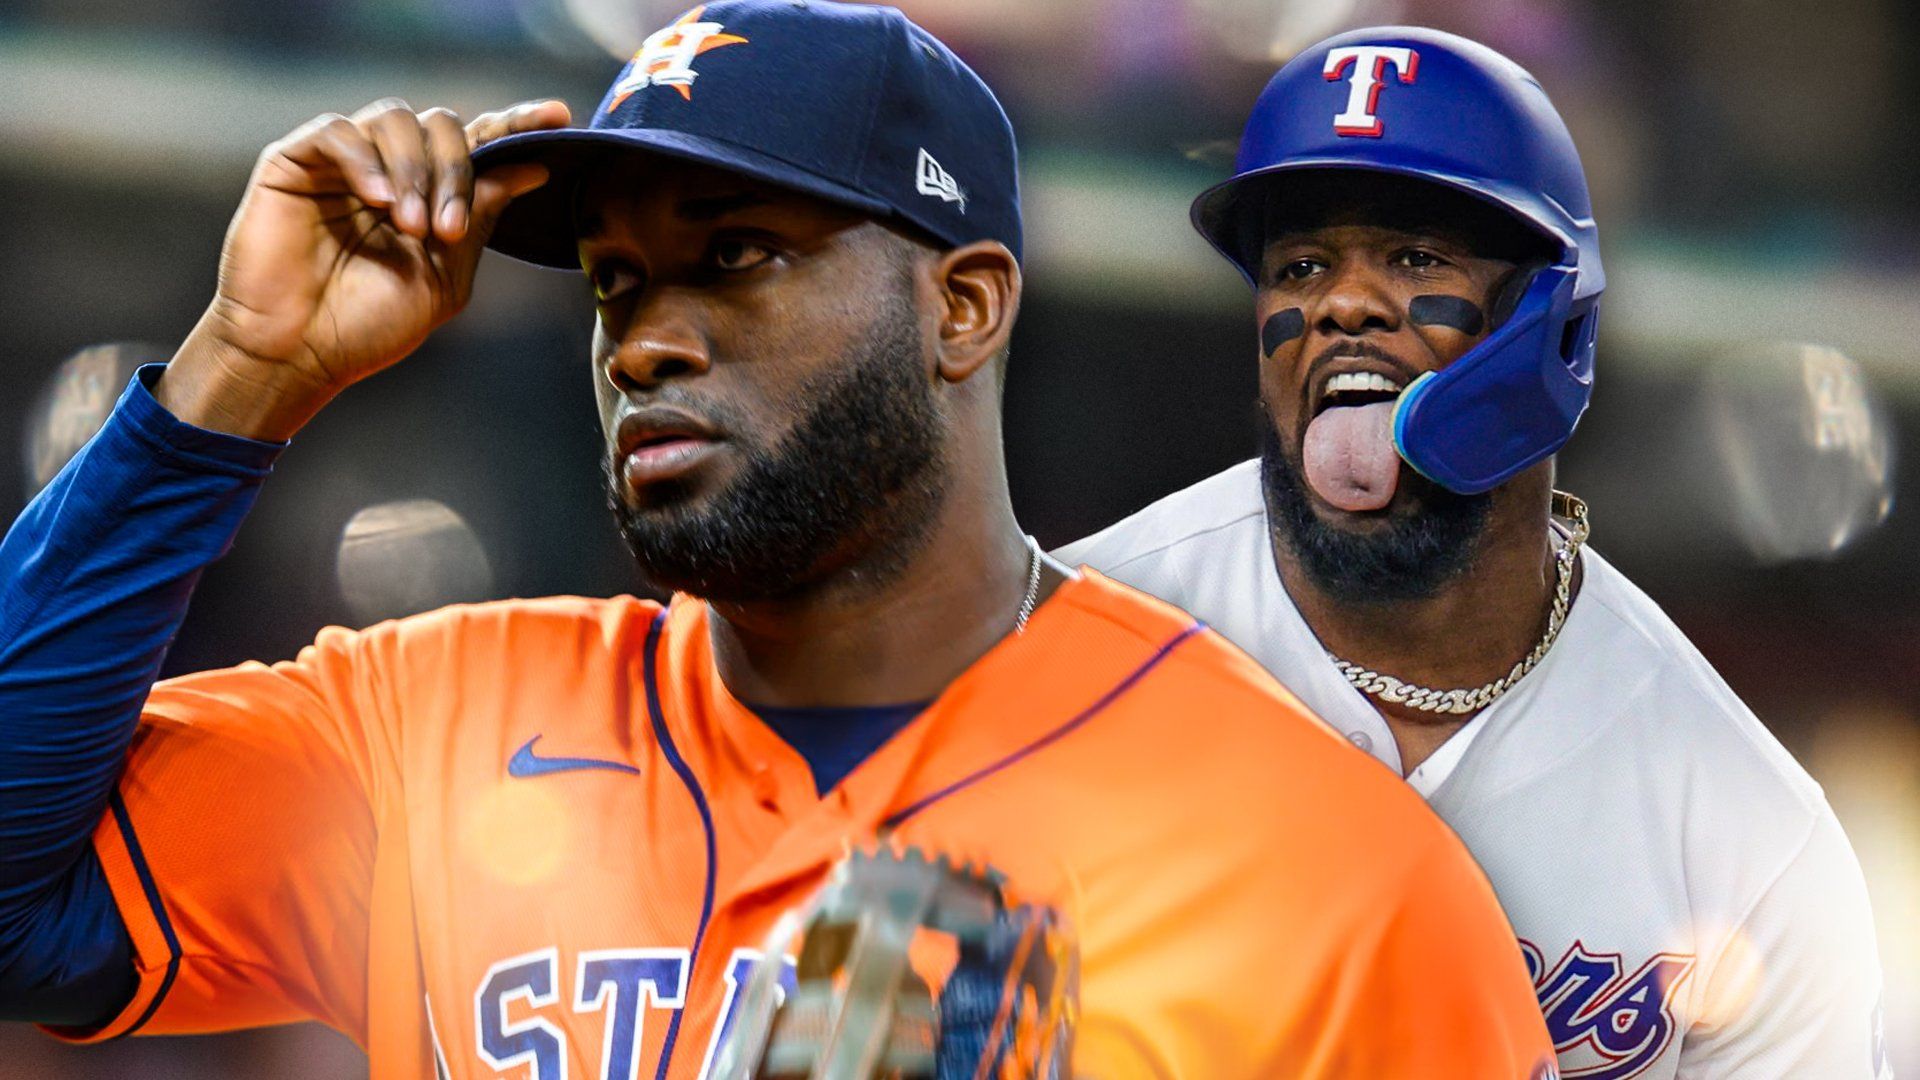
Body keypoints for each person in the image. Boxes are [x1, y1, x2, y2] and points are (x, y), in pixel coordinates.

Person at [0, 3, 1559, 1077]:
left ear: (963, 308)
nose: (643, 343)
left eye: (735, 257)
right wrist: (242, 372)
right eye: (616, 281)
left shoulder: (1324, 878)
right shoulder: (432, 735)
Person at [1059, 26, 1892, 1079]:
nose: (1340, 304)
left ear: (1557, 326)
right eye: (1300, 265)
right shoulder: (1079, 633)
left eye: (1415, 258)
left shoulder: (1747, 838)